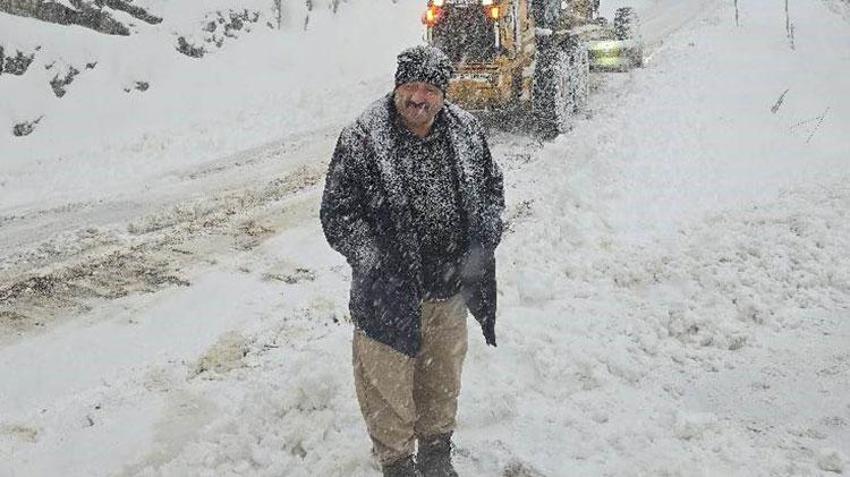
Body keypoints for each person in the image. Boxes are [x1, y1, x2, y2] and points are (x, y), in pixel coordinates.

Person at [320, 45, 504, 477]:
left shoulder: (466, 131)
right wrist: (376, 263)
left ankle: (437, 455)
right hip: (387, 295)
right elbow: (337, 214)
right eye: (410, 87)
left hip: (449, 290)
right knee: (387, 389)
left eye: (430, 89)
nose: (418, 98)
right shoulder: (363, 138)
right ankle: (398, 464)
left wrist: (483, 242)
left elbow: (492, 190)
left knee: (441, 381)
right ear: (396, 85)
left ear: (444, 93)